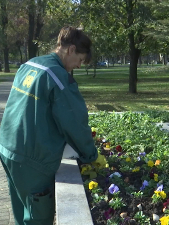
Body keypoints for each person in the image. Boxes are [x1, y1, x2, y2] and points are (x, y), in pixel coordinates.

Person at [0, 26, 102, 224]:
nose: (79, 66)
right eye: (80, 60)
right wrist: (91, 155)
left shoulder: (30, 64)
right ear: (71, 49)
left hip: (8, 148)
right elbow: (74, 122)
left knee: (22, 211)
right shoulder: (58, 76)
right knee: (39, 217)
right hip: (32, 159)